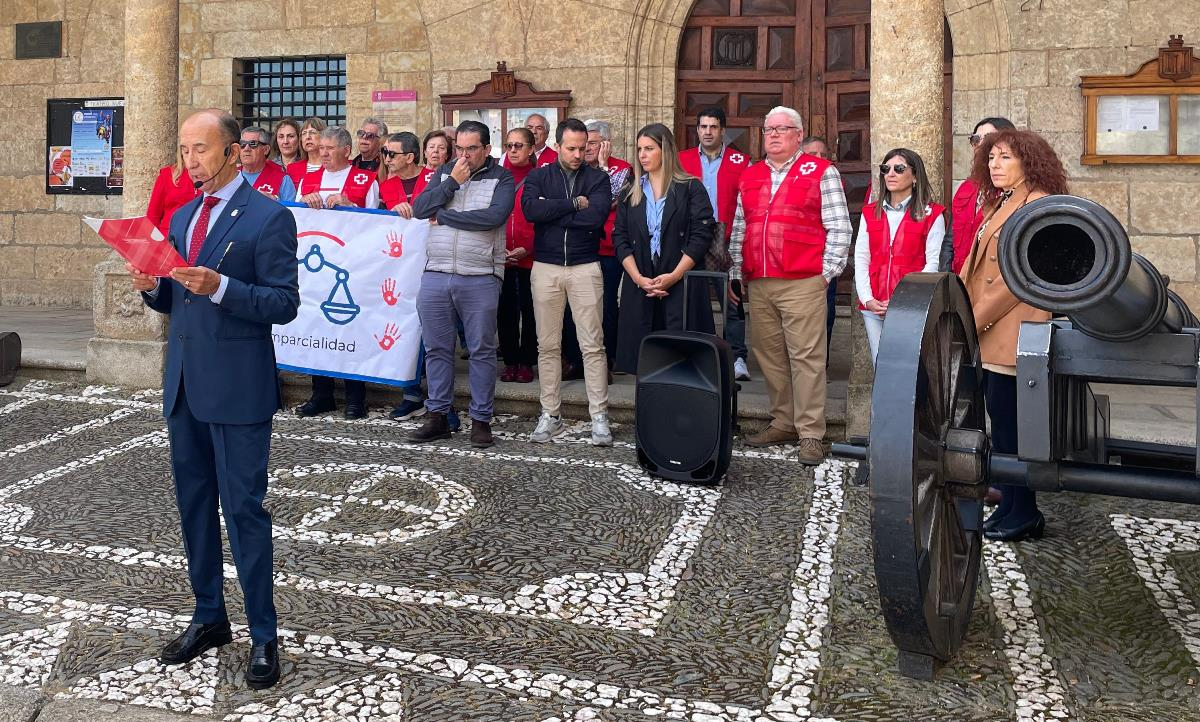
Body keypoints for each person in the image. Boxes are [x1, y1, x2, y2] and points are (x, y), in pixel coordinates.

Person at [125, 108, 298, 690]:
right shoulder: (179, 217)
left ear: (232, 152)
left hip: (239, 390)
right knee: (194, 509)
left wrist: (222, 286)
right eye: (184, 150)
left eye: (200, 149)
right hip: (183, 386)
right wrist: (153, 288)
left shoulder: (268, 218)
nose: (190, 161)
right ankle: (208, 617)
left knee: (244, 513)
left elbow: (283, 302)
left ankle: (264, 635)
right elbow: (177, 304)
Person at [961, 129, 1068, 542]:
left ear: (1028, 162)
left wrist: (970, 320)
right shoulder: (1002, 202)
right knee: (1001, 424)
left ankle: (1024, 511)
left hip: (1012, 329)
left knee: (1011, 427)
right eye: (991, 159)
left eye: (1004, 158)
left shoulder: (1036, 205)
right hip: (994, 331)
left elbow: (1013, 280)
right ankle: (1009, 503)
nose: (994, 165)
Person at [729, 106, 852, 463]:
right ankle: (783, 420)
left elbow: (840, 227)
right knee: (768, 356)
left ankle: (811, 433)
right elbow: (741, 226)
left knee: (807, 358)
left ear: (799, 135)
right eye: (769, 130)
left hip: (803, 280)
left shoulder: (820, 171)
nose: (774, 135)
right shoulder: (750, 175)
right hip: (761, 281)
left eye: (783, 129)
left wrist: (825, 274)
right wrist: (737, 270)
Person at [407, 120, 515, 448]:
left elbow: (493, 218)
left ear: (486, 149)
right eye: (460, 149)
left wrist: (447, 216)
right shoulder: (446, 173)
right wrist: (451, 183)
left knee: (481, 351)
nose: (464, 155)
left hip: (480, 275)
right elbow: (421, 209)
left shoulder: (503, 178)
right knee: (437, 349)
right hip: (436, 272)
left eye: (471, 149)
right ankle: (437, 417)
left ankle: (481, 420)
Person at [522, 118, 613, 446]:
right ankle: (550, 413)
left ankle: (599, 416)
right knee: (547, 345)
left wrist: (554, 211)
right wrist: (573, 204)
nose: (578, 154)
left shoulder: (599, 179)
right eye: (571, 148)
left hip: (585, 267)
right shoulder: (538, 176)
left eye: (583, 148)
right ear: (558, 146)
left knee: (592, 345)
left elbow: (596, 217)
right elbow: (531, 211)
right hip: (545, 267)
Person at [612, 123, 715, 373]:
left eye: (649, 148)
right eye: (639, 149)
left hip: (681, 281)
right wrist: (638, 278)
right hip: (641, 285)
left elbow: (701, 235)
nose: (642, 155)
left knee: (682, 360)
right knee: (645, 363)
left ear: (665, 150)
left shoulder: (691, 187)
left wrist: (674, 276)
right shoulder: (630, 190)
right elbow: (620, 238)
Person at [295, 126, 380, 420]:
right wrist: (304, 203)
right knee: (318, 326)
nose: (323, 153)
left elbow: (377, 226)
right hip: (317, 266)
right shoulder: (308, 179)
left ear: (346, 150)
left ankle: (356, 397)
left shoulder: (365, 179)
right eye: (321, 148)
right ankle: (322, 394)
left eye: (330, 148)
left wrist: (351, 206)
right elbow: (295, 218)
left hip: (351, 266)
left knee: (350, 328)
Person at [679, 107, 752, 380]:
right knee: (691, 297)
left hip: (727, 236)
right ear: (697, 130)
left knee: (731, 297)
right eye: (703, 127)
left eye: (713, 127)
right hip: (691, 236)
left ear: (723, 130)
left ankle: (737, 358)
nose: (707, 132)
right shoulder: (682, 160)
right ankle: (697, 354)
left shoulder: (741, 161)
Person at [853, 148, 945, 363]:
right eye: (886, 169)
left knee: (908, 366)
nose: (890, 174)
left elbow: (933, 262)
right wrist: (867, 299)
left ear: (914, 176)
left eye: (899, 168)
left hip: (910, 306)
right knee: (881, 364)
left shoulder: (932, 214)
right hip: (874, 305)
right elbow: (862, 257)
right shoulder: (870, 212)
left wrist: (904, 299)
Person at [949, 117, 1015, 273]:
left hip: (992, 284)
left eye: (989, 138)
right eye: (976, 139)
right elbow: (949, 240)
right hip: (960, 281)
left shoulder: (1012, 189)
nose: (981, 144)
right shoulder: (966, 187)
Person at [498, 127, 538, 384]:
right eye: (509, 145)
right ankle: (510, 361)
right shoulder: (499, 177)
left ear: (531, 149)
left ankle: (526, 362)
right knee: (505, 312)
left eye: (518, 145)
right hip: (501, 255)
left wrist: (529, 246)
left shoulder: (541, 177)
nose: (513, 150)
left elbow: (544, 218)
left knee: (531, 310)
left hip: (530, 257)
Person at [800, 136, 840, 364]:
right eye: (813, 154)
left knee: (826, 314)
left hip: (823, 262)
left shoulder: (831, 180)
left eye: (824, 155)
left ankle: (820, 364)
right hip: (797, 262)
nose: (820, 159)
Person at [146, 149, 200, 236]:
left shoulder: (211, 177)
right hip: (169, 237)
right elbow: (153, 215)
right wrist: (155, 243)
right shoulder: (167, 175)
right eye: (186, 150)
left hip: (198, 237)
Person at [238, 126, 296, 202]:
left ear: (266, 150)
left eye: (253, 144)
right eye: (242, 144)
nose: (246, 149)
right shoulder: (231, 176)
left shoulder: (283, 180)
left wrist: (275, 202)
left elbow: (292, 212)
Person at [378, 131, 427, 218]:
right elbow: (380, 221)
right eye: (386, 153)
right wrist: (392, 213)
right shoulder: (385, 187)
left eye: (392, 154)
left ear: (409, 158)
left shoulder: (435, 179)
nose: (387, 159)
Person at [287, 117, 326, 188]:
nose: (307, 137)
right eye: (304, 133)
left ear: (323, 136)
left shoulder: (332, 167)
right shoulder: (292, 169)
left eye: (312, 132)